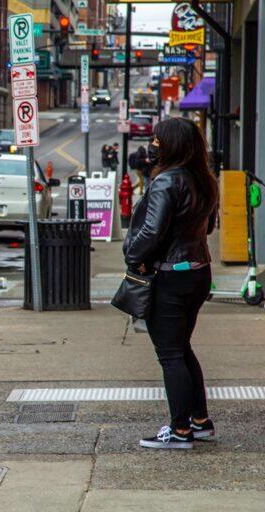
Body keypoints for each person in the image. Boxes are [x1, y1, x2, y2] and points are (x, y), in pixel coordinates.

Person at [123, 117, 218, 449]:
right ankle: (200, 421)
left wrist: (132, 256)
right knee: (182, 347)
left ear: (172, 144)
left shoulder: (167, 181)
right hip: (197, 271)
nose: (153, 144)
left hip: (170, 275)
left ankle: (180, 431)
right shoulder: (203, 180)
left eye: (158, 139)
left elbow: (151, 231)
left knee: (170, 354)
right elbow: (207, 229)